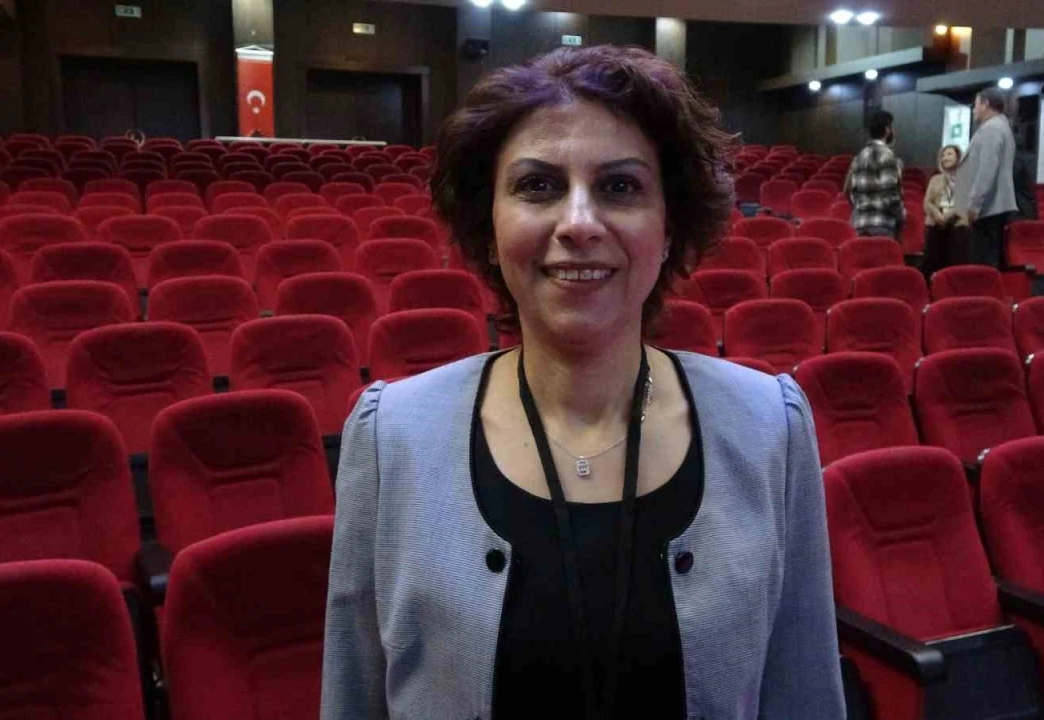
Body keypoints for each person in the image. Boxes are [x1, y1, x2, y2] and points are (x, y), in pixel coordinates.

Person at [321, 45, 846, 720]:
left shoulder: (771, 425)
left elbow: (804, 695)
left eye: (620, 187)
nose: (578, 223)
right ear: (488, 229)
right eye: (538, 186)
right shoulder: (390, 436)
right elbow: (353, 697)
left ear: (669, 228)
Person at [954, 87, 1018, 267]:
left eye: (976, 105)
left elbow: (987, 171)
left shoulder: (992, 129)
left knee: (983, 262)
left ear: (986, 104)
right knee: (987, 259)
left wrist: (974, 204)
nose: (973, 110)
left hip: (988, 208)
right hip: (993, 207)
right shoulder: (1001, 127)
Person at [844, 110, 906, 239]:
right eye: (892, 127)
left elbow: (850, 191)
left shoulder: (860, 156)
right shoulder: (887, 155)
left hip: (860, 224)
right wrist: (902, 214)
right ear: (887, 129)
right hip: (882, 225)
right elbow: (890, 195)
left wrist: (862, 207)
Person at [922, 144, 970, 274]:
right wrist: (937, 214)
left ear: (958, 157)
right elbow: (927, 202)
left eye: (949, 154)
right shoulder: (935, 179)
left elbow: (965, 202)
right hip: (937, 222)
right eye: (943, 155)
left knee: (958, 247)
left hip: (958, 223)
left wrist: (948, 216)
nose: (945, 158)